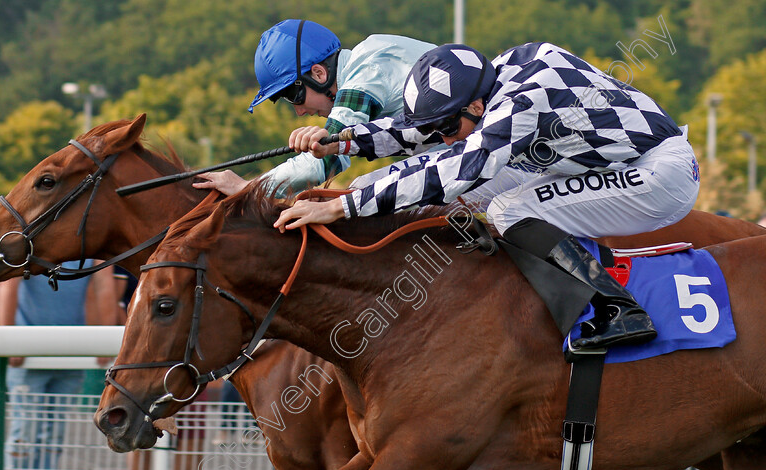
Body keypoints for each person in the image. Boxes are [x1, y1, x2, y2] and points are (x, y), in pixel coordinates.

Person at [277, 42, 700, 352]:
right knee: (438, 186)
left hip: (658, 173)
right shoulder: (483, 83)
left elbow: (452, 172)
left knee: (508, 207)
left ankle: (619, 308)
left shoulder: (521, 101)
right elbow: (418, 132)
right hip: (594, 164)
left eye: (447, 127)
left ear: (476, 107)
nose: (441, 138)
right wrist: (341, 142)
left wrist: (343, 205)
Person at [194, 19, 435, 197]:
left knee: (357, 197)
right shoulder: (367, 60)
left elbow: (320, 166)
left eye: (293, 95)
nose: (299, 111)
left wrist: (248, 189)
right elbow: (337, 156)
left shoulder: (367, 72)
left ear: (319, 73)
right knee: (352, 196)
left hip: (468, 157)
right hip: (462, 154)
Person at [0, 261, 115, 470]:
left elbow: (105, 286)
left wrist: (105, 337)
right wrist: (9, 339)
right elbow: (8, 285)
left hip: (70, 350)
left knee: (55, 432)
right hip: (27, 352)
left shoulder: (89, 247)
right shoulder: (31, 239)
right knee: (25, 429)